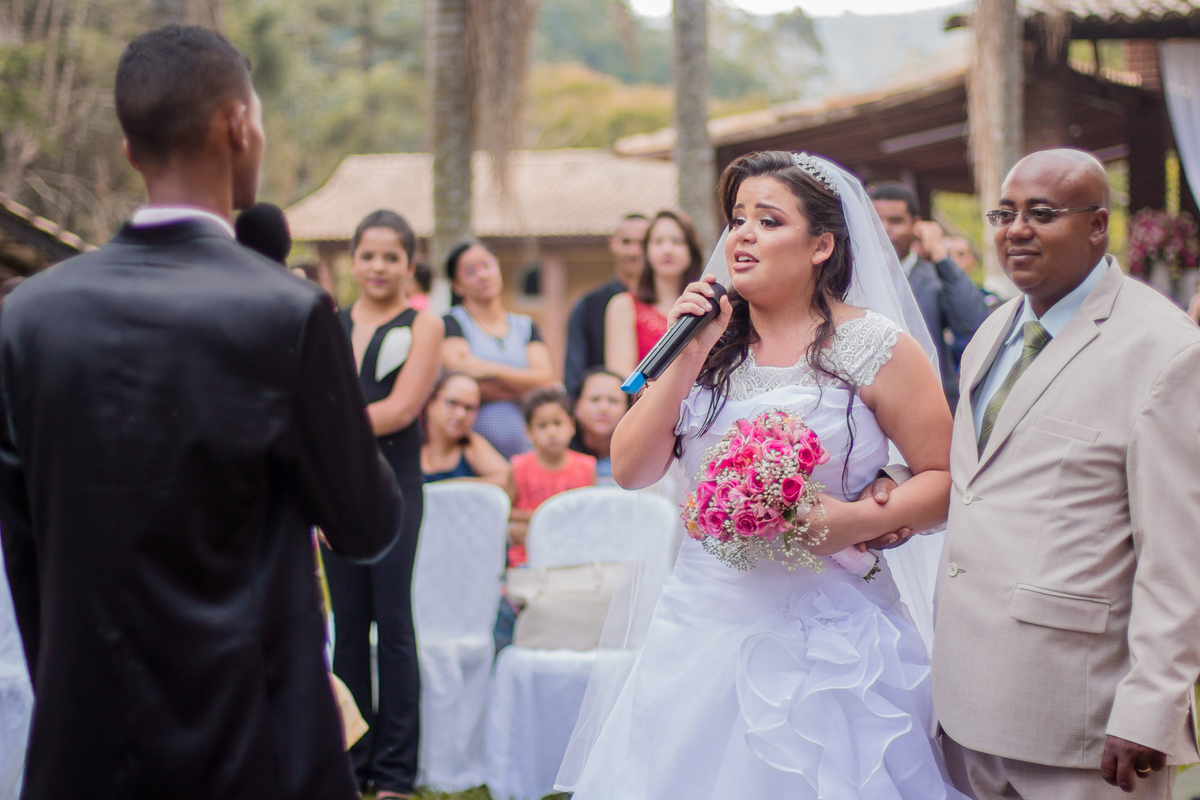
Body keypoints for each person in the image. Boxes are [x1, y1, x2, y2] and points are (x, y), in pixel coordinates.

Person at [0, 26, 403, 800]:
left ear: (129, 152)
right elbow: (367, 525)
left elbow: (25, 554)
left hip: (83, 746)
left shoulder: (28, 318)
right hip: (258, 746)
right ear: (239, 125)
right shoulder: (287, 313)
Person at [557, 151, 962, 798]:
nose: (741, 235)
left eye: (768, 221)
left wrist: (860, 519)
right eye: (736, 219)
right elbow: (632, 468)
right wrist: (689, 350)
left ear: (821, 245)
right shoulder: (704, 343)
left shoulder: (876, 345)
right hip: (702, 619)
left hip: (832, 633)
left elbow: (944, 479)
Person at [915, 149, 1200, 799]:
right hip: (968, 702)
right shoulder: (992, 333)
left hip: (1083, 720)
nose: (1016, 229)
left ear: (1098, 226)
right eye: (1005, 213)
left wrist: (1149, 709)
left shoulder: (1165, 351)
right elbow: (988, 481)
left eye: (1042, 214)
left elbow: (1180, 554)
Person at [321, 209, 443, 800]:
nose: (377, 267)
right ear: (352, 260)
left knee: (392, 625)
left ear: (409, 263)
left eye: (390, 256)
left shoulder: (425, 325)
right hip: (334, 488)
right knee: (346, 628)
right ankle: (350, 764)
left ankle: (395, 773)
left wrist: (320, 428)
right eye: (367, 255)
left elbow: (398, 410)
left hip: (393, 485)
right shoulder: (328, 322)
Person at [871, 184, 989, 410]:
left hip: (932, 403)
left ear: (916, 226)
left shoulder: (936, 277)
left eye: (896, 221)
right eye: (876, 221)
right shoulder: (847, 277)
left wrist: (939, 253)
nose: (884, 230)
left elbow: (974, 324)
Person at [441, 240, 555, 458]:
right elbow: (460, 383)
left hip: (528, 451)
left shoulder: (525, 326)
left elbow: (544, 381)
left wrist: (490, 370)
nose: (483, 275)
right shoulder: (452, 323)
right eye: (470, 272)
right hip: (472, 453)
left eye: (487, 265)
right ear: (456, 285)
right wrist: (524, 389)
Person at [604, 210, 705, 378]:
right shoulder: (624, 306)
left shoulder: (705, 306)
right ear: (646, 251)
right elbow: (622, 377)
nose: (667, 250)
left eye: (677, 241)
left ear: (692, 250)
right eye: (658, 241)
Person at [507, 387, 596, 568]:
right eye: (542, 426)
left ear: (571, 426)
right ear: (529, 433)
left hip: (573, 553)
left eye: (557, 423)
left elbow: (590, 513)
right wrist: (531, 518)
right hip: (527, 555)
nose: (552, 432)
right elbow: (507, 510)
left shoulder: (587, 466)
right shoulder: (518, 467)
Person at [564, 213, 651, 395]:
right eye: (626, 242)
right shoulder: (588, 306)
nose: (634, 252)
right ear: (612, 243)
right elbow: (574, 374)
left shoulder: (669, 302)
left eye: (642, 243)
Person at [420, 371, 511, 487]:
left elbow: (510, 480)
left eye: (469, 408)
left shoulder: (471, 445)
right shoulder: (407, 445)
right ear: (430, 403)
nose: (460, 415)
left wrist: (458, 486)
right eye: (452, 403)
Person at [569, 366, 630, 484]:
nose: (603, 408)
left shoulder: (639, 460)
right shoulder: (557, 456)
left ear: (627, 409)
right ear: (577, 406)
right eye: (594, 399)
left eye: (613, 400)